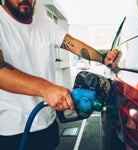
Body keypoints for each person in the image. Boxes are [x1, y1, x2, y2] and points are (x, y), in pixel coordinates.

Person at [0, 0, 119, 149]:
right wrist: (45, 88)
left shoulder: (44, 25)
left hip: (47, 123)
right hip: (12, 131)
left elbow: (72, 43)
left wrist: (102, 57)